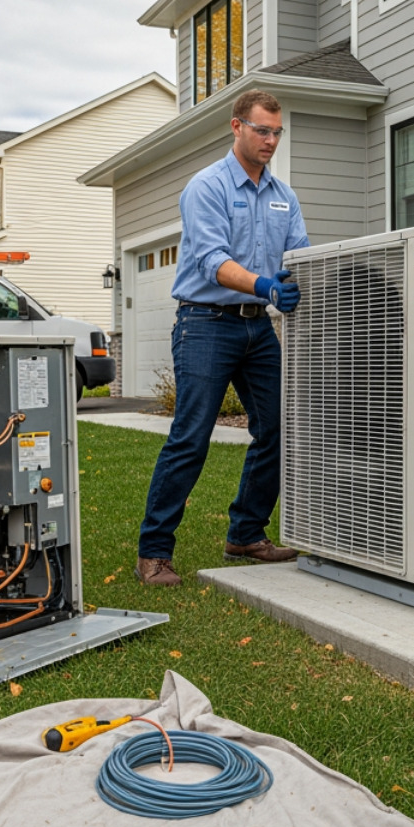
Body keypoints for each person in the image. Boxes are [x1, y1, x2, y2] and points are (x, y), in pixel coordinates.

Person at [135, 90, 308, 587]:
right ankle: (154, 551)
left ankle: (246, 533)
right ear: (236, 128)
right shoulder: (206, 187)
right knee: (190, 437)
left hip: (259, 325)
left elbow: (298, 259)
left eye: (277, 132)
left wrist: (295, 283)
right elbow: (212, 261)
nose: (270, 140)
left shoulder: (284, 196)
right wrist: (266, 284)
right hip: (206, 324)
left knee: (280, 427)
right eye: (261, 130)